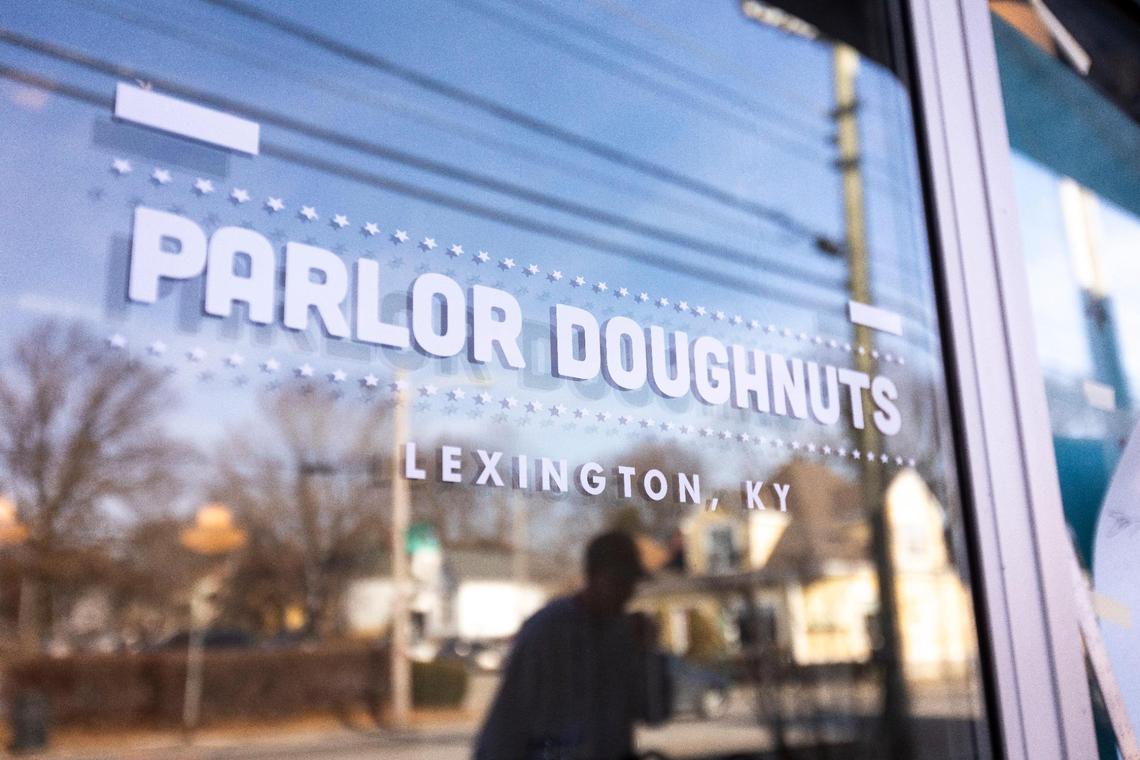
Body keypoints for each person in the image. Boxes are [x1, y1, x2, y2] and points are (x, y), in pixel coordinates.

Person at [474, 530, 671, 760]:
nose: (626, 593)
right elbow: (506, 724)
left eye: (631, 584)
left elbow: (654, 714)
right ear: (594, 576)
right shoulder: (547, 631)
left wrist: (649, 655)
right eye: (619, 582)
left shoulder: (622, 636)